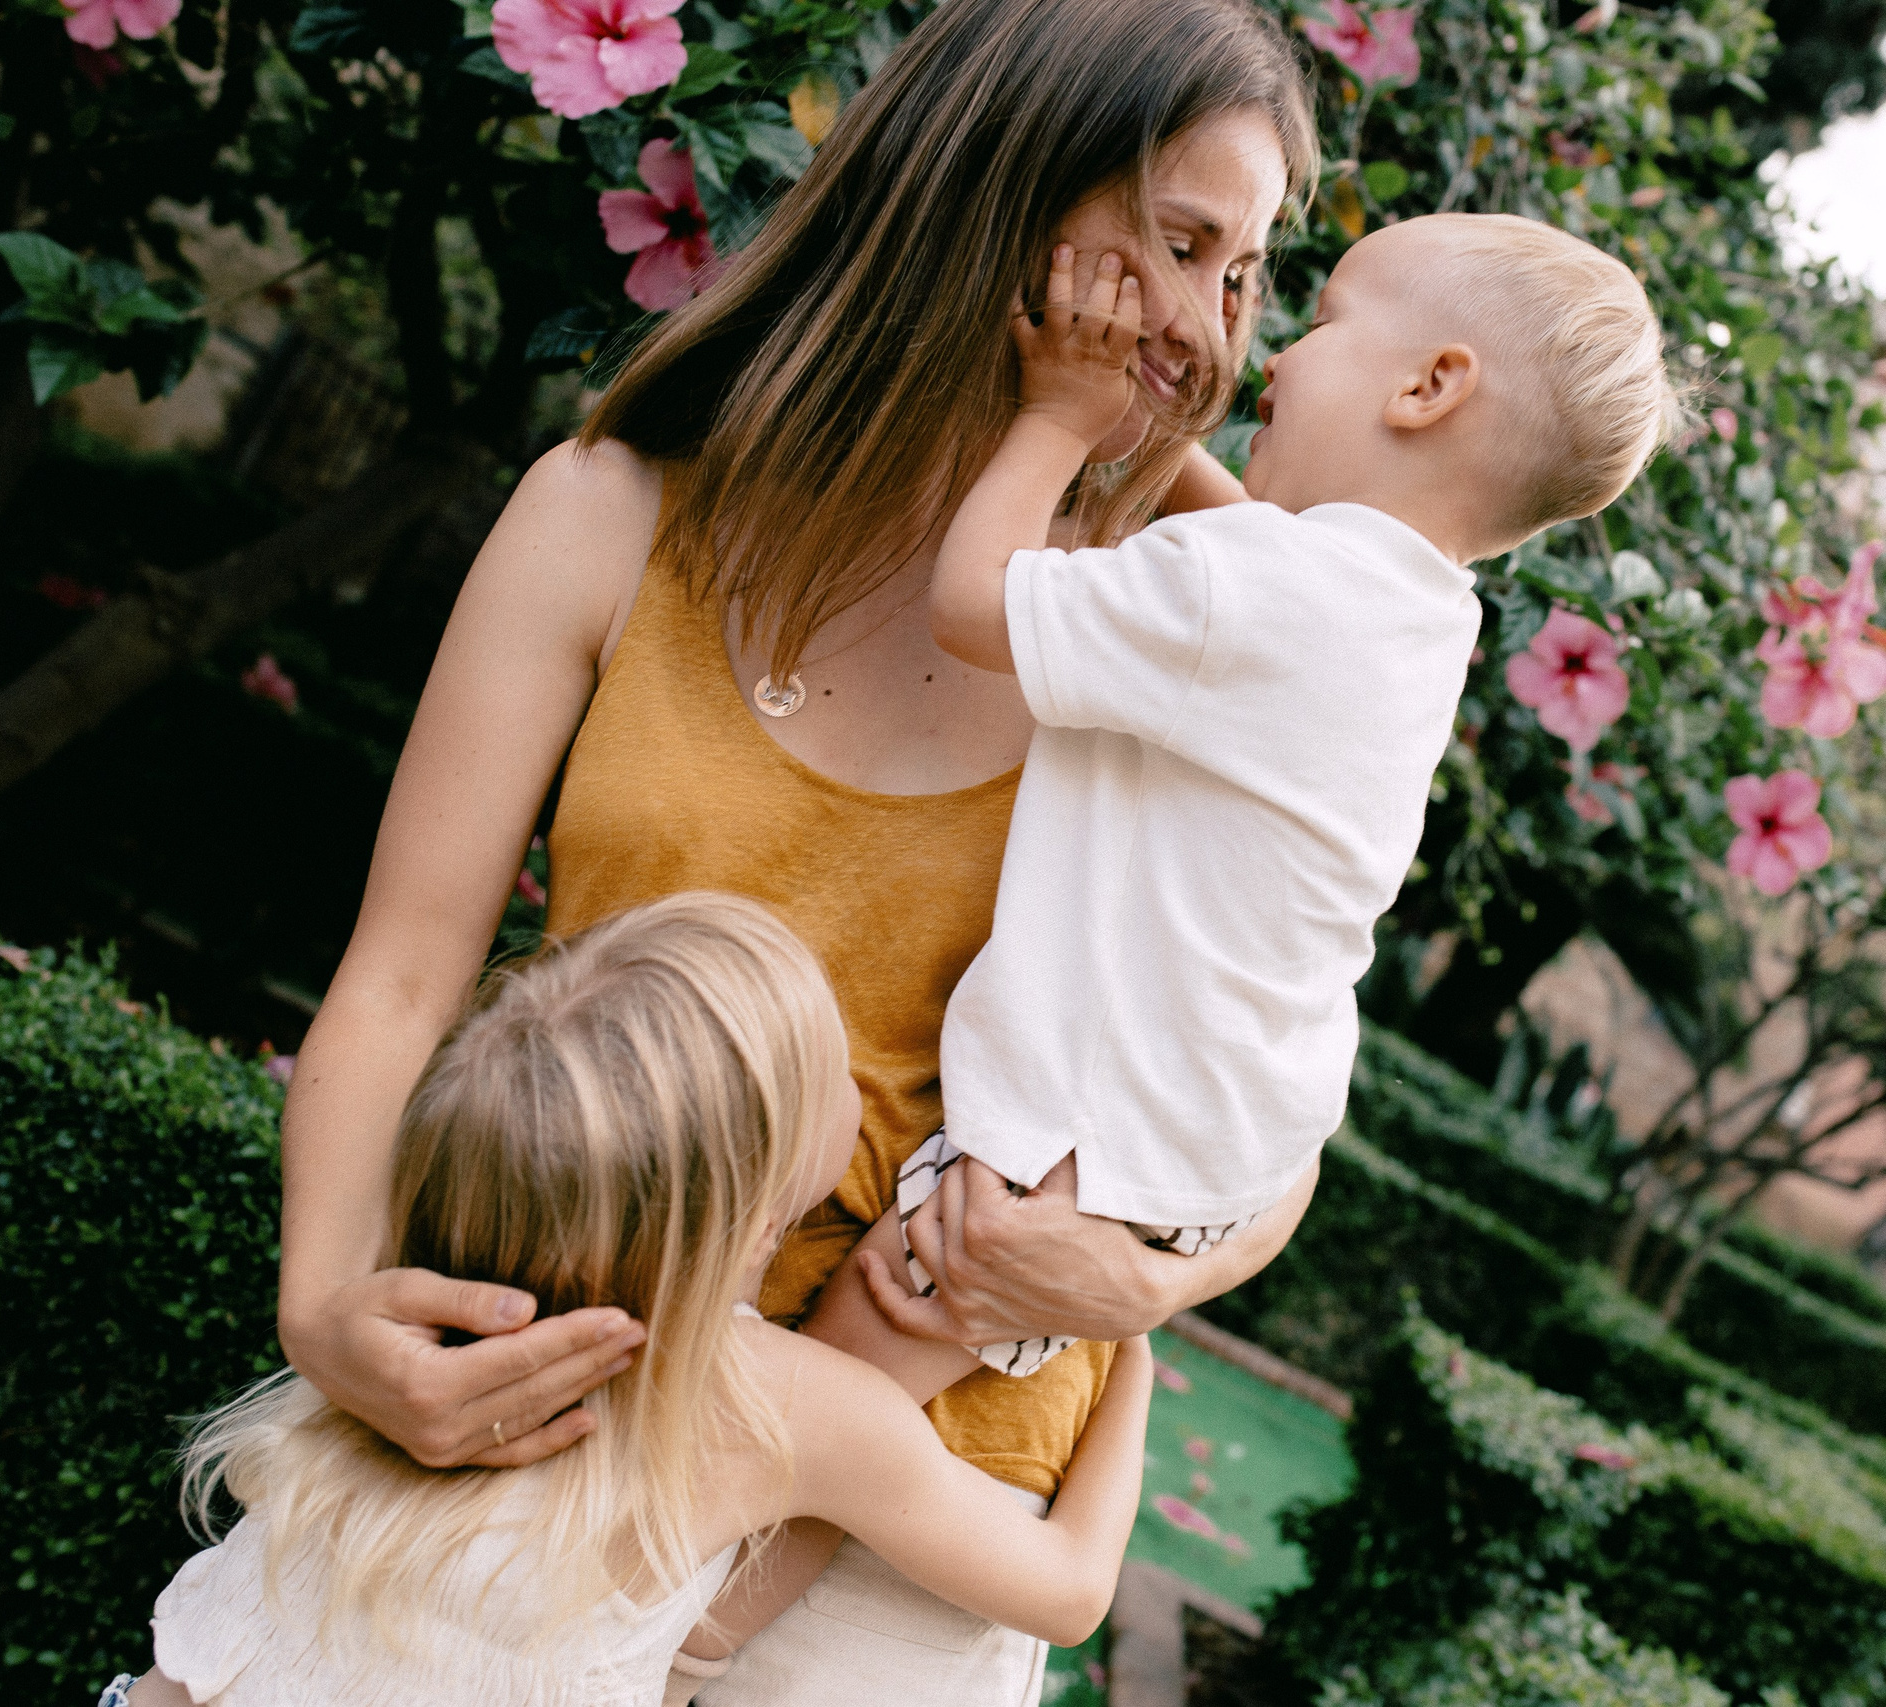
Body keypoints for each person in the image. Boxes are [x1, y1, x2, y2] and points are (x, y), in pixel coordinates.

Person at [271, 1, 1317, 1700]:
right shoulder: (613, 514)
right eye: (1182, 244)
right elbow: (399, 972)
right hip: (541, 1413)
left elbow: (1270, 1127)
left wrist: (1133, 1271)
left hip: (916, 1532)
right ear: (998, 197)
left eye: (1245, 273)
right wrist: (327, 1307)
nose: (1212, 324)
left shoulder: (1161, 658)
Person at [809, 213, 1676, 1397]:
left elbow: (973, 606)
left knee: (793, 1424)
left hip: (1078, 1143)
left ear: (1427, 386)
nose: (1274, 355)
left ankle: (666, 1588)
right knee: (832, 1424)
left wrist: (1057, 417)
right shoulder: (1422, 613)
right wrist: (1153, 434)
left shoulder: (1262, 591)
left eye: (1321, 326)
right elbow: (1249, 576)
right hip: (1211, 1154)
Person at [96, 893, 1154, 1707]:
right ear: (751, 1214)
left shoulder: (411, 1331)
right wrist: (1131, 1358)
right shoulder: (795, 1405)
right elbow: (1065, 1590)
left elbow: (686, 1640)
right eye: (835, 1074)